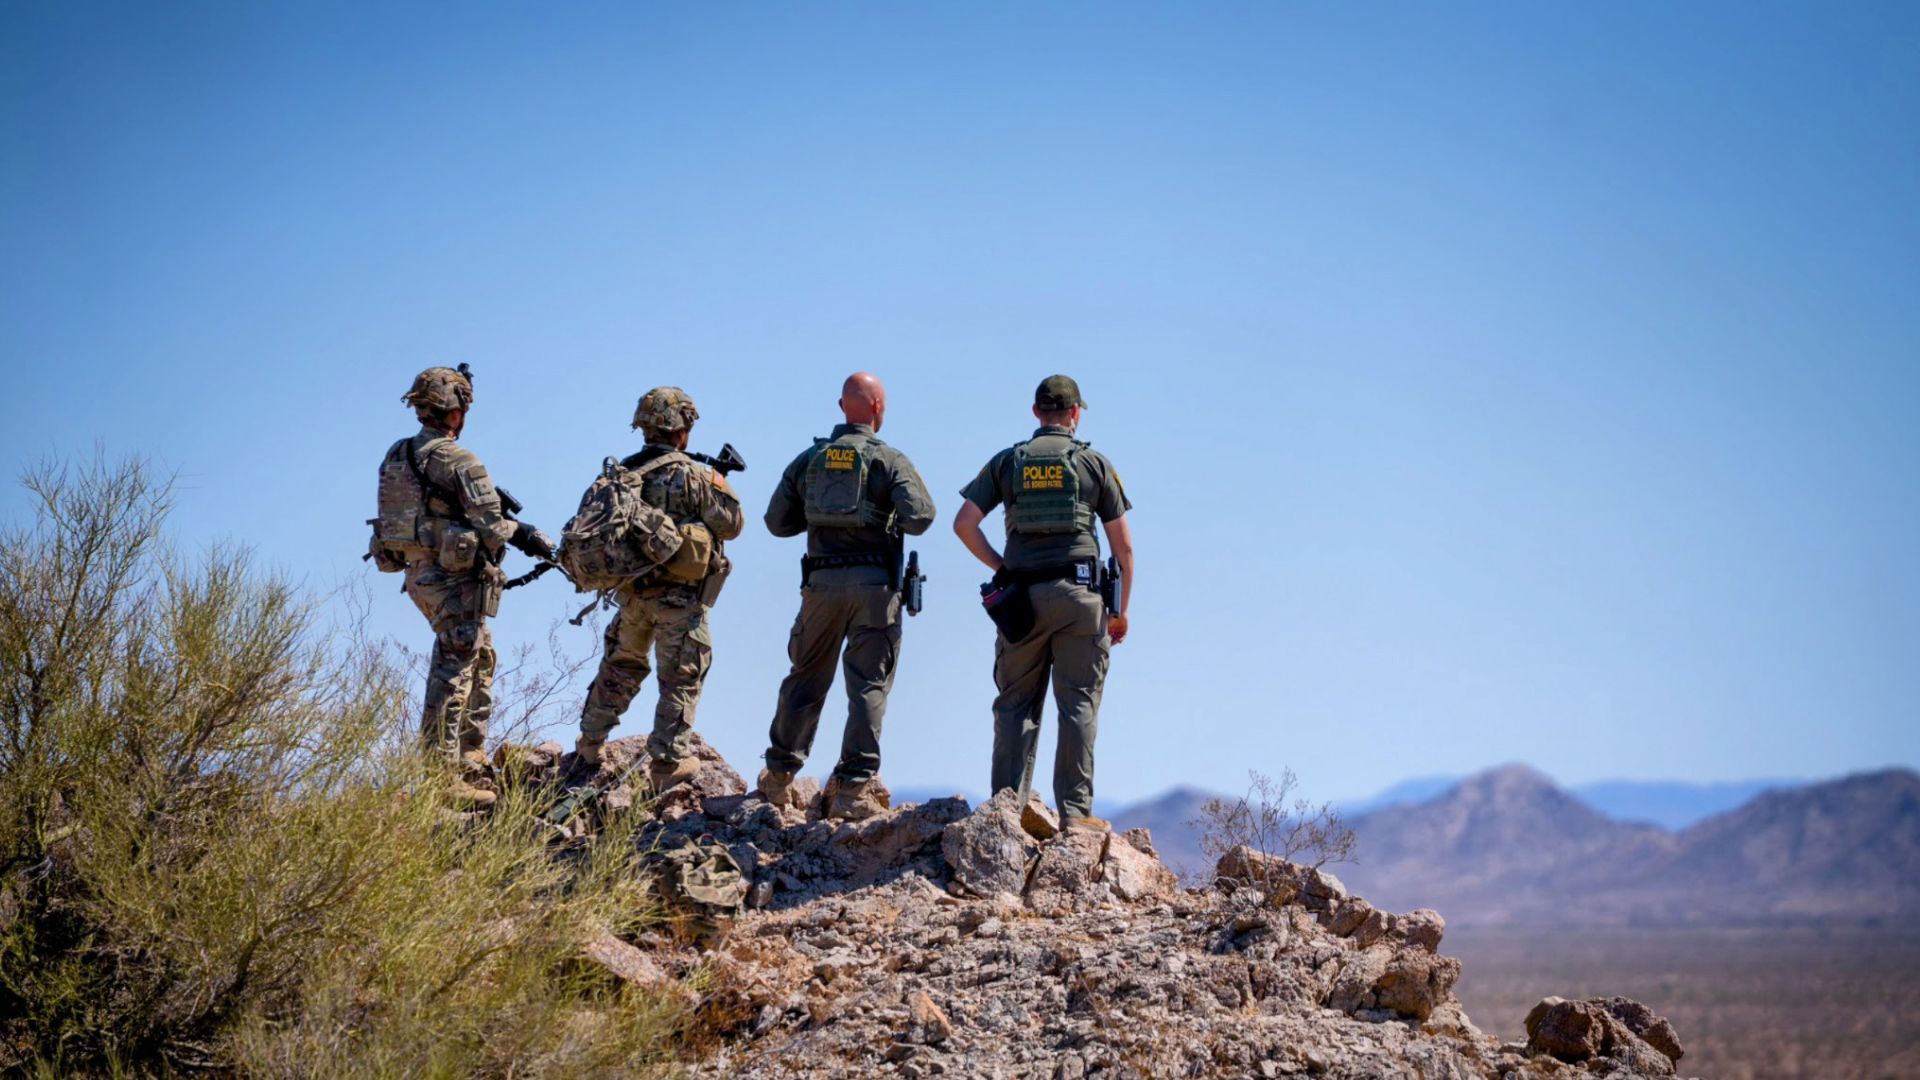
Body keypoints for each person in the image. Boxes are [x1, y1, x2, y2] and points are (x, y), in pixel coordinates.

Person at [952, 375, 1133, 831]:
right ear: (1075, 413)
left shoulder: (1008, 462)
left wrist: (1002, 567)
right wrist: (1119, 611)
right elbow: (1123, 551)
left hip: (1023, 602)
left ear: (1036, 413)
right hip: (1080, 599)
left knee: (1014, 706)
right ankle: (1075, 815)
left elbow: (964, 524)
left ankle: (1004, 815)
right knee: (1077, 707)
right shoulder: (1093, 464)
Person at [373, 365, 556, 809]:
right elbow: (492, 524)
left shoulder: (397, 454)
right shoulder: (459, 460)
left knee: (479, 652)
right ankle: (440, 774)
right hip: (449, 576)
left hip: (418, 573)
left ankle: (470, 756)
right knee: (454, 665)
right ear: (457, 411)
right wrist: (528, 534)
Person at [758, 373, 937, 819]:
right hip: (874, 590)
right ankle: (853, 791)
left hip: (820, 587)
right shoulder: (888, 459)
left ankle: (778, 779)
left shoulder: (809, 459)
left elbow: (777, 523)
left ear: (842, 406)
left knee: (805, 679)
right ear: (878, 408)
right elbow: (921, 518)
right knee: (868, 685)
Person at [574, 387, 744, 793]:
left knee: (619, 668)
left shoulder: (618, 477)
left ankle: (589, 743)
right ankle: (668, 762)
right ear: (682, 430)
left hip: (632, 597)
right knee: (681, 676)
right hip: (680, 600)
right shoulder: (697, 476)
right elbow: (732, 525)